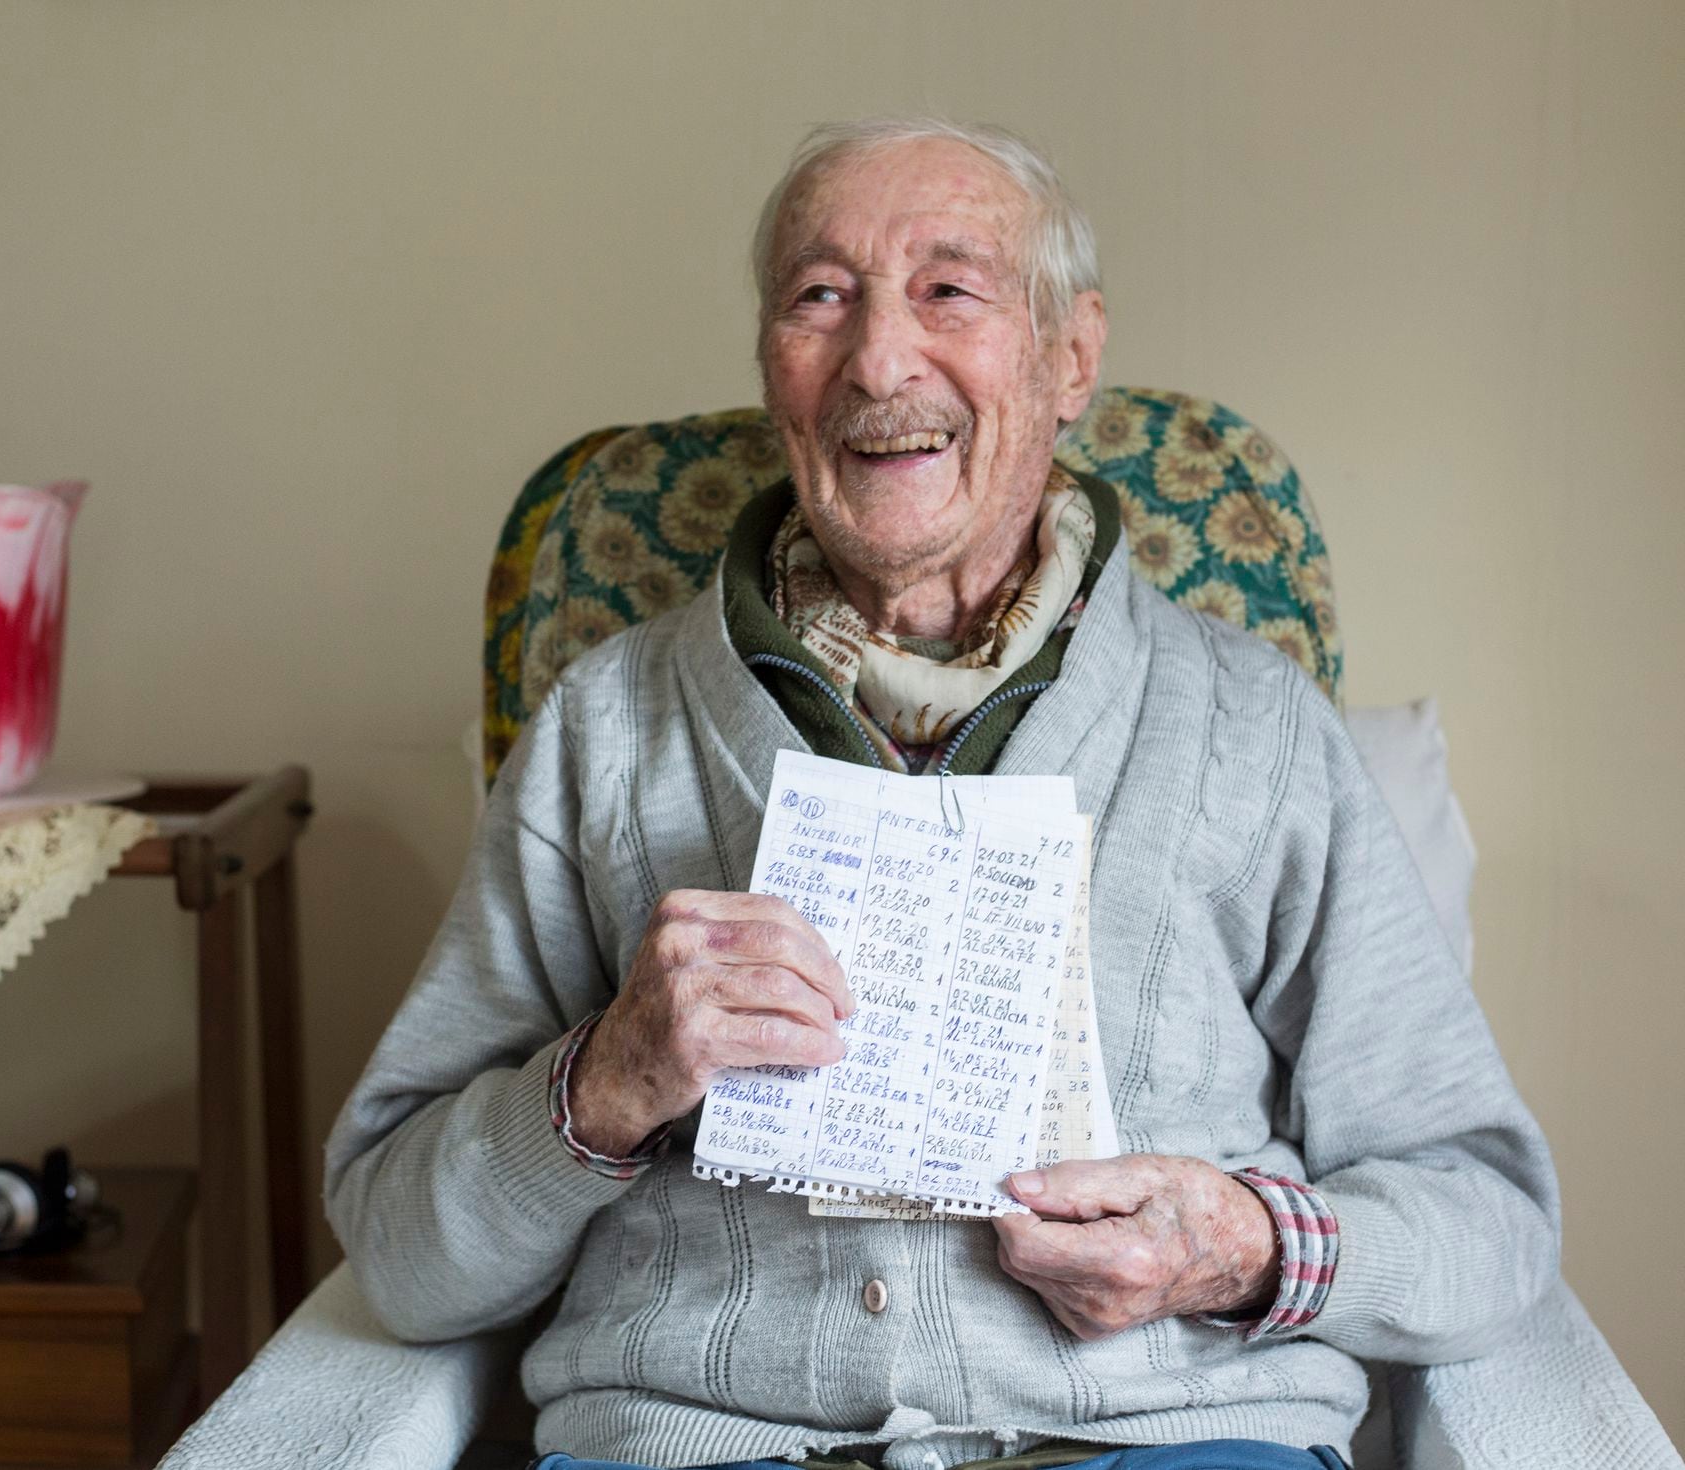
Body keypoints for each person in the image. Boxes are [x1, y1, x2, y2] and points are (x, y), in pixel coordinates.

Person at [324, 118, 1558, 1470]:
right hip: (705, 1442)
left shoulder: (1252, 729)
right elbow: (397, 1249)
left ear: (1071, 355)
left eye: (949, 291)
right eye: (820, 296)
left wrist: (1237, 1248)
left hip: (1171, 1438)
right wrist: (604, 1082)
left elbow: (1486, 1212)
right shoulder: (607, 727)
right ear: (770, 364)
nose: (879, 358)